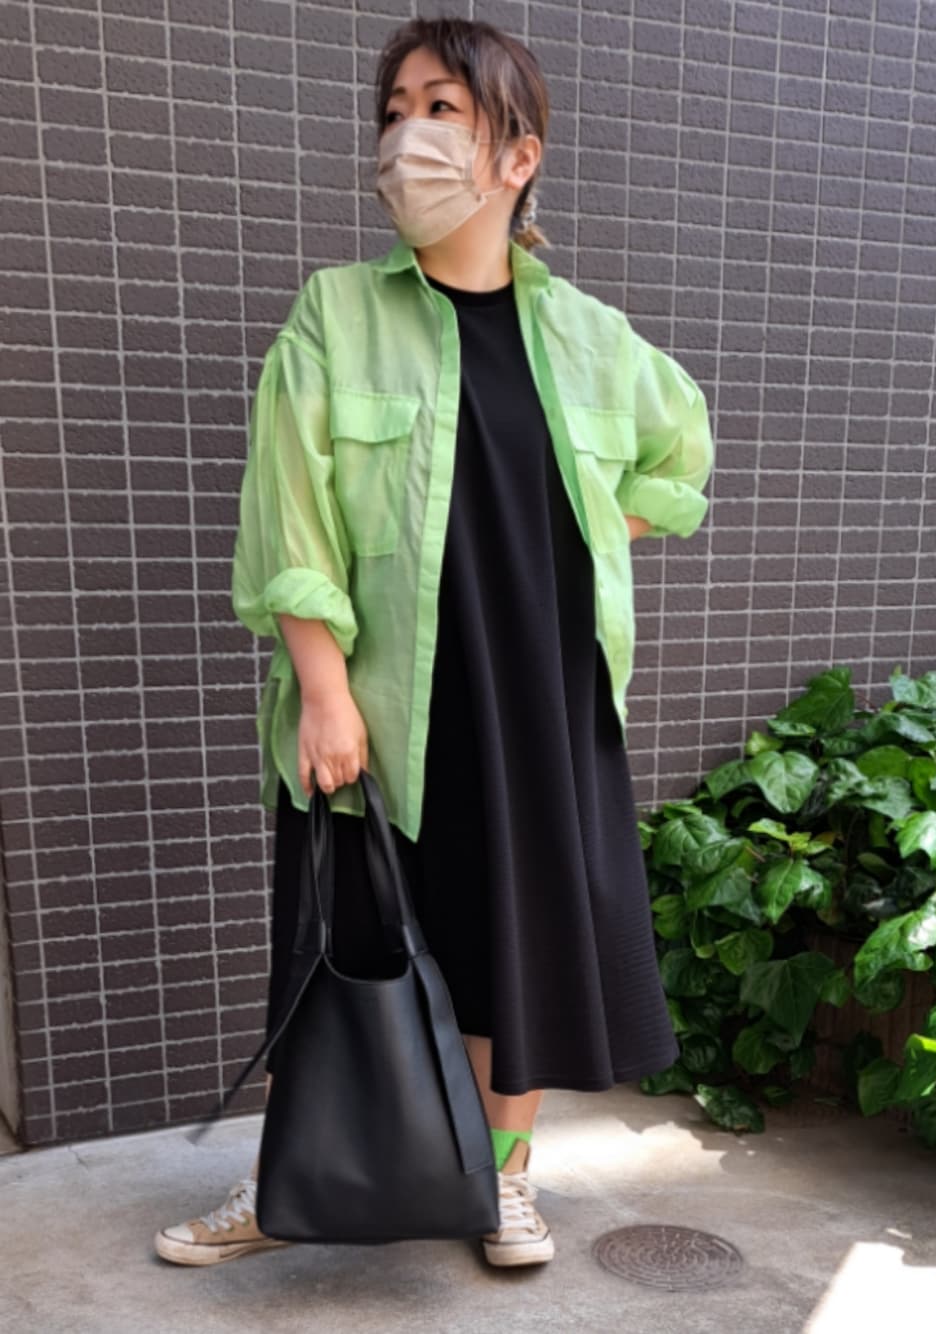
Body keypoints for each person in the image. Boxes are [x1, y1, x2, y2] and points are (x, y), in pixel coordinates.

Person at [154, 14, 714, 1271]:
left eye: (442, 108)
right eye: (395, 108)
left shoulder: (588, 335)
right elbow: (288, 511)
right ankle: (295, 1177)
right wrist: (322, 687)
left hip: (539, 690)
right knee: (341, 939)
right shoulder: (337, 313)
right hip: (382, 692)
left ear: (517, 155)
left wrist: (585, 533)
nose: (407, 134)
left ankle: (500, 1180)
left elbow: (680, 456)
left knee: (515, 943)